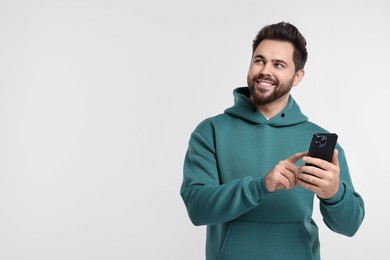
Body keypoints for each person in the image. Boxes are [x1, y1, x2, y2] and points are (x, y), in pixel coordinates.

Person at [180, 22, 365, 260]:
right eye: (259, 60)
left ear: (297, 76)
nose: (265, 70)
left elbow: (349, 226)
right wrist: (261, 186)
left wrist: (334, 193)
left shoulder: (318, 140)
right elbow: (197, 209)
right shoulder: (211, 131)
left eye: (278, 64)